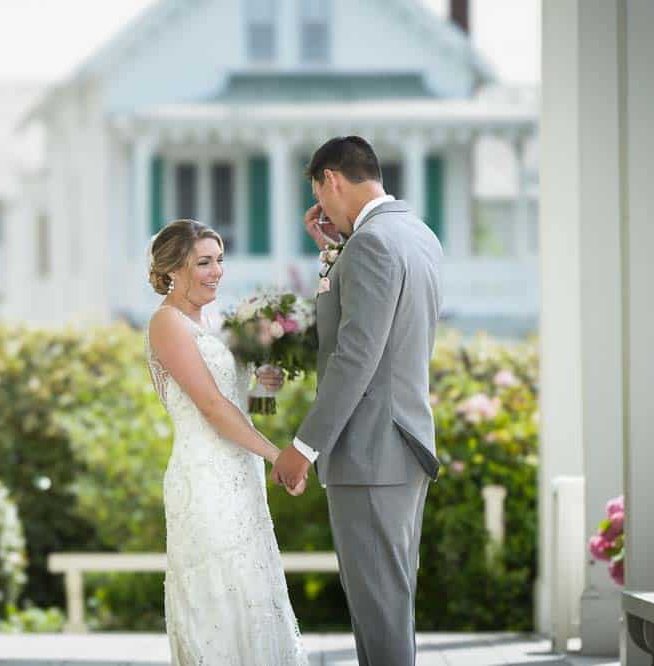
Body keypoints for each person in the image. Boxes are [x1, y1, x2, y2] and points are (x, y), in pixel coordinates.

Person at [272, 136, 444, 665]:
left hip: (369, 452)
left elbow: (356, 358)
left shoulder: (370, 243)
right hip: (403, 444)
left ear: (331, 179)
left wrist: (304, 445)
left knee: (380, 609)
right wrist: (333, 247)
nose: (320, 208)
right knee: (390, 605)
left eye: (320, 195)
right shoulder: (417, 233)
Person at [144, 219, 308, 666]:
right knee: (217, 596)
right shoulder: (167, 324)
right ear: (174, 269)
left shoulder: (219, 320)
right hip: (203, 478)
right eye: (203, 262)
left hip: (243, 476)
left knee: (255, 592)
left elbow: (246, 408)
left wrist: (266, 386)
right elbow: (213, 409)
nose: (216, 271)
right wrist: (280, 456)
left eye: (219, 260)